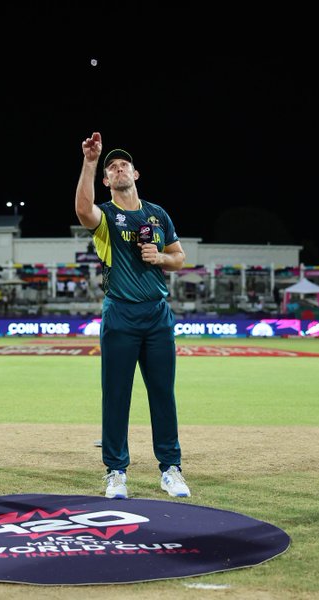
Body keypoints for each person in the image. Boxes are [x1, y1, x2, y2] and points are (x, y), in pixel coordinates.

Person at [74, 132, 191, 499]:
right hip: (121, 315)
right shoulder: (106, 216)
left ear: (136, 174)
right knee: (116, 395)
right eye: (112, 167)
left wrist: (161, 258)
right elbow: (82, 209)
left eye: (123, 164)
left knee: (162, 394)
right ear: (107, 181)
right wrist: (90, 162)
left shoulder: (157, 214)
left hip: (157, 315)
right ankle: (115, 471)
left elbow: (179, 257)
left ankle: (171, 469)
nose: (118, 168)